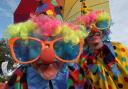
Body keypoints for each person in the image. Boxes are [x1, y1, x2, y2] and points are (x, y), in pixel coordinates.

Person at [3, 14, 87, 89]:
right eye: (36, 46)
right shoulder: (18, 77)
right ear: (26, 51)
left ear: (67, 49)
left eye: (57, 46)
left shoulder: (76, 73)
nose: (47, 56)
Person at [69, 10, 128, 89]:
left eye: (97, 25)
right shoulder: (82, 61)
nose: (94, 30)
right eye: (87, 29)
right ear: (82, 35)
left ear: (103, 30)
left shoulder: (119, 48)